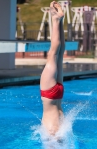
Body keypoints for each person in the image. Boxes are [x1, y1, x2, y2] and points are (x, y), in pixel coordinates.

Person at [40, 1, 65, 136]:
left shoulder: (62, 129)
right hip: (49, 94)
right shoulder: (52, 132)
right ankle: (56, 20)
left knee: (59, 53)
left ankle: (60, 20)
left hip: (59, 94)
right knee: (53, 54)